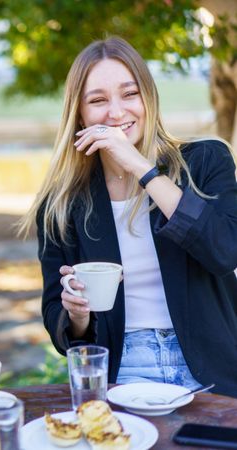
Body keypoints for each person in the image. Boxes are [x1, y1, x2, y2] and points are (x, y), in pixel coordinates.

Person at [20, 36, 237, 397]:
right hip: (124, 368)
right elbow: (59, 323)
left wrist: (140, 166)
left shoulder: (206, 161)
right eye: (98, 100)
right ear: (80, 114)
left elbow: (225, 250)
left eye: (129, 94)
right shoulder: (62, 203)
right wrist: (76, 314)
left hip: (214, 362)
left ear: (148, 98)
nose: (116, 113)